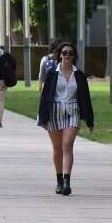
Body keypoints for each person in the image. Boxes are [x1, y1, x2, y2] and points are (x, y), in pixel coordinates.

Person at [38, 42, 94, 196]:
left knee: (67, 145)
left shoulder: (79, 75)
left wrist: (90, 120)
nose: (67, 55)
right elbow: (45, 97)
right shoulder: (52, 74)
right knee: (57, 149)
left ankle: (67, 181)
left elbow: (85, 98)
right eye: (64, 53)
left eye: (70, 53)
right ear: (59, 55)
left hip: (72, 110)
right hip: (54, 112)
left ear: (74, 56)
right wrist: (42, 118)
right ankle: (59, 181)